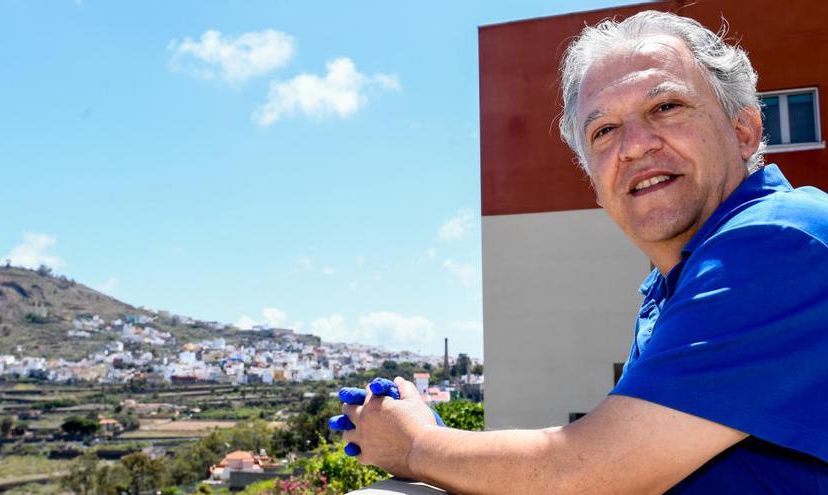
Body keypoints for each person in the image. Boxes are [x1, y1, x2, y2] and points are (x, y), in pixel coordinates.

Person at [339, 11, 828, 494]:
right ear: (595, 182)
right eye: (604, 132)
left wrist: (415, 445)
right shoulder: (673, 283)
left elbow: (587, 472)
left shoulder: (780, 242)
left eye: (666, 107)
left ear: (744, 130)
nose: (634, 147)